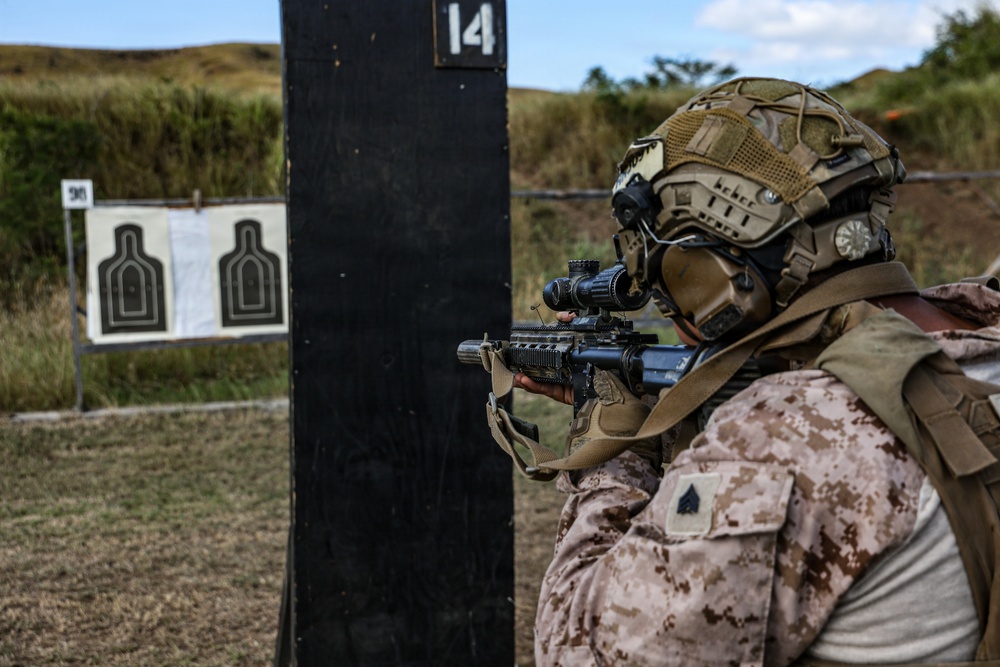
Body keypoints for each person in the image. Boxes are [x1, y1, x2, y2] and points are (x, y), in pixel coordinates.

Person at [511, 77, 1000, 665]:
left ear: (710, 273)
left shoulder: (784, 438)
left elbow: (574, 648)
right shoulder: (978, 334)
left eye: (663, 265)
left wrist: (614, 445)